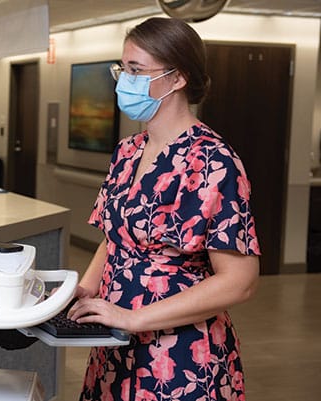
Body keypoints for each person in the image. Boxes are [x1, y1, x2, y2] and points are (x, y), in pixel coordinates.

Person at [67, 17, 261, 401]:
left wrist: (134, 318)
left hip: (179, 355)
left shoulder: (212, 162)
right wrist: (85, 289)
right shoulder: (127, 152)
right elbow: (115, 239)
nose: (124, 80)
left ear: (177, 78)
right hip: (115, 342)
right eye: (122, 69)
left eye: (137, 70)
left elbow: (240, 281)